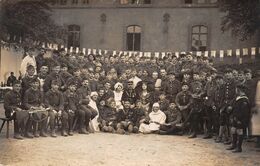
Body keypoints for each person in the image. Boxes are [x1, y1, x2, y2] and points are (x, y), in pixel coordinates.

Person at [226, 85, 250, 153]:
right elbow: (234, 107)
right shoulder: (238, 98)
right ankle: (233, 145)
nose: (235, 91)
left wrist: (239, 119)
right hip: (235, 118)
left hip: (241, 119)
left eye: (236, 89)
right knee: (233, 131)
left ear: (239, 90)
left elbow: (244, 112)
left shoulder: (244, 99)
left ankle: (239, 147)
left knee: (240, 132)